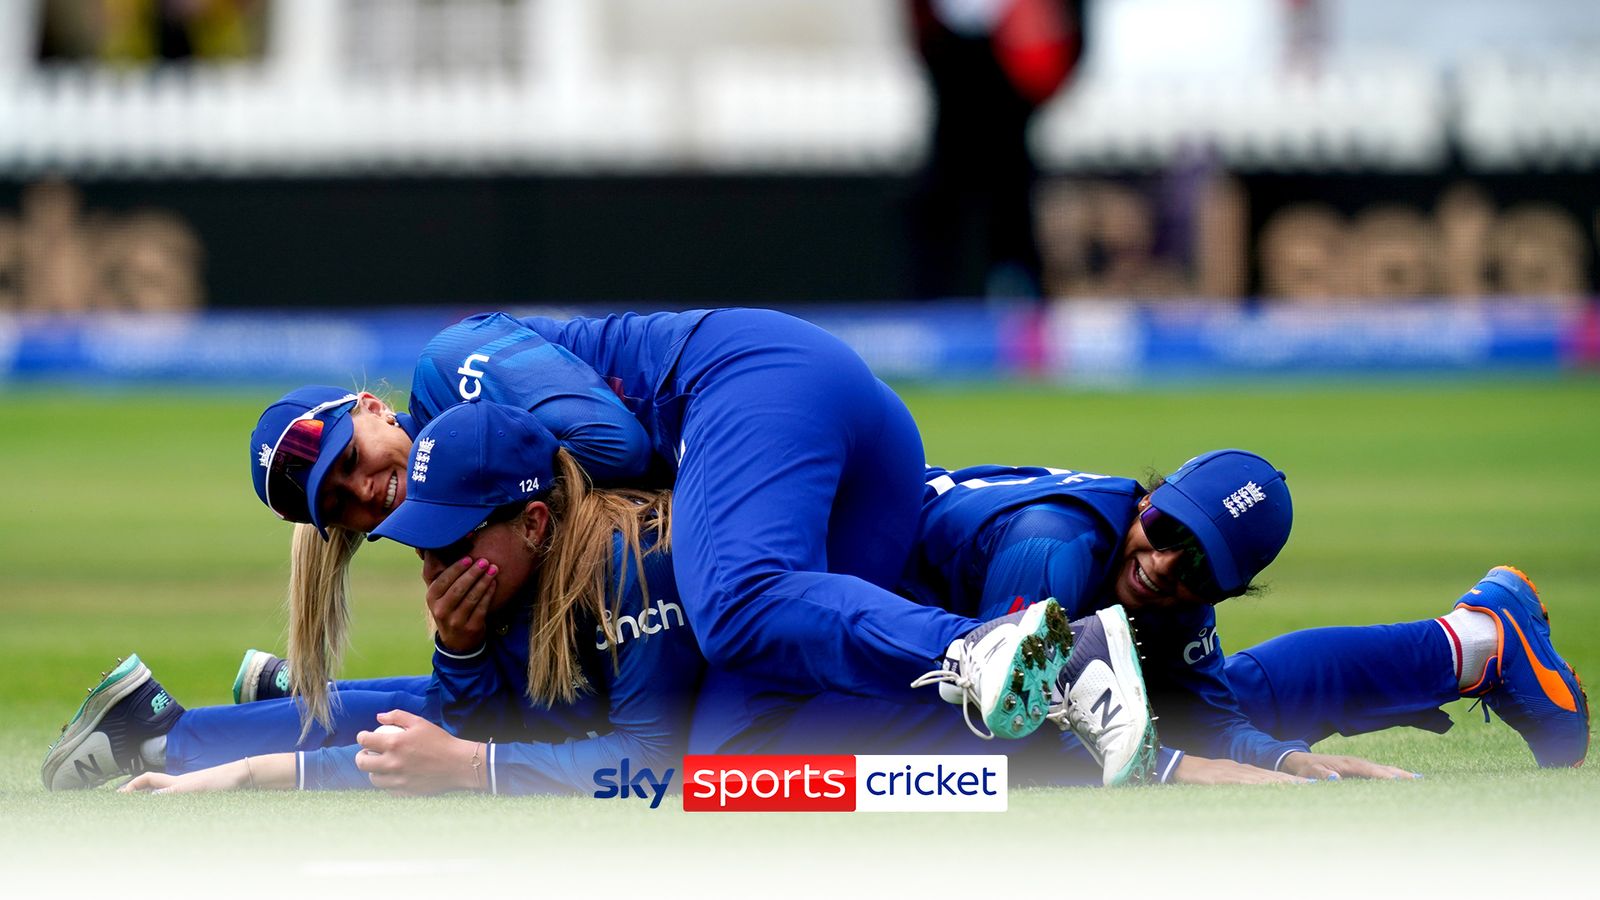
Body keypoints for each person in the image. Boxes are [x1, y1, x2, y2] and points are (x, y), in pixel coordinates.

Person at [245, 309, 1151, 781]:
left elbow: (620, 447)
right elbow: (561, 714)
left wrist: (529, 490)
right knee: (731, 760)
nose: (367, 491)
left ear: (368, 408)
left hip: (743, 381)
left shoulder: (450, 374)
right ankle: (1074, 736)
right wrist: (464, 646)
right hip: (814, 445)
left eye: (350, 462)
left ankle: (1022, 652)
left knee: (736, 603)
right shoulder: (454, 506)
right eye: (343, 506)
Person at [43, 402, 701, 795]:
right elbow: (497, 717)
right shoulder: (532, 533)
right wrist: (462, 650)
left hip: (782, 749)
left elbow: (658, 775)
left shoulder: (627, 562)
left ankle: (180, 732)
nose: (431, 565)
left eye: (448, 540)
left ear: (534, 522)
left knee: (457, 718)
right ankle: (260, 711)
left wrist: (475, 767)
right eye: (421, 543)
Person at [898, 453, 1590, 774]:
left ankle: (1477, 645)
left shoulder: (1172, 599)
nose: (1165, 565)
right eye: (1168, 531)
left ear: (1224, 593)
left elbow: (1212, 723)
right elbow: (1002, 724)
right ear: (1150, 499)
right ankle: (1472, 642)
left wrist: (1280, 762)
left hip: (927, 658)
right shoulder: (1052, 549)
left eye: (1200, 569)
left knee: (1212, 717)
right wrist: (1173, 770)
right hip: (886, 630)